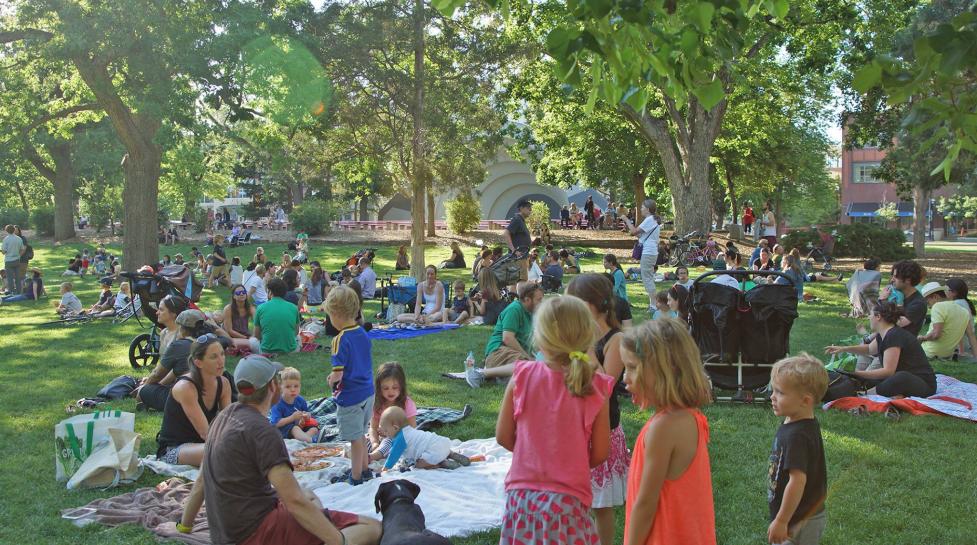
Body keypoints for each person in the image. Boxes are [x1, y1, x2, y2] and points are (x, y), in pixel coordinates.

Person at [178, 354, 382, 545]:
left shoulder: (223, 417)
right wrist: (337, 540)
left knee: (309, 495)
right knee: (372, 527)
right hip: (254, 531)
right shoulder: (263, 432)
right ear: (272, 387)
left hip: (226, 531)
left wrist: (185, 525)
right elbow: (293, 500)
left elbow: (201, 482)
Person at [495, 295, 612, 545]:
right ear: (587, 335)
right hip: (569, 502)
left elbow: (503, 436)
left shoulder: (522, 377)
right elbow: (601, 452)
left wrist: (536, 454)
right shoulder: (595, 386)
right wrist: (569, 461)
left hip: (522, 499)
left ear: (539, 336)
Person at [620, 319, 716, 545]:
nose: (624, 377)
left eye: (633, 367)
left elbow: (645, 504)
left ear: (666, 370)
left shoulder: (663, 428)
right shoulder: (690, 417)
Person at [566, 274, 629, 545]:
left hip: (604, 428)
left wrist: (589, 348)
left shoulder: (616, 341)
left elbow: (605, 386)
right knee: (577, 498)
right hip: (576, 428)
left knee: (601, 504)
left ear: (590, 305)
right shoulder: (575, 337)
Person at [767, 354, 829, 545]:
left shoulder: (798, 436)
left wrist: (782, 520)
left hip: (801, 520)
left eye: (780, 393)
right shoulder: (797, 422)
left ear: (805, 401)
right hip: (798, 515)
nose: (772, 396)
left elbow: (797, 481)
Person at [825, 301, 937, 398]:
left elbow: (888, 371)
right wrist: (844, 349)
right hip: (900, 379)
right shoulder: (883, 334)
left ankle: (863, 395)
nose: (869, 318)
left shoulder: (894, 335)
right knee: (869, 379)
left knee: (900, 377)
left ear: (878, 316)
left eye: (870, 315)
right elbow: (869, 349)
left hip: (923, 384)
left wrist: (857, 373)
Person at [156, 334, 232, 467]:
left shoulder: (224, 383)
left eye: (222, 354)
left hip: (203, 445)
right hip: (174, 449)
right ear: (198, 362)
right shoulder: (185, 388)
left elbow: (229, 422)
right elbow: (205, 433)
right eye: (214, 357)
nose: (221, 361)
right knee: (222, 452)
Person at [325, 285, 376, 485]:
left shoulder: (340, 339)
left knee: (354, 439)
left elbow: (338, 373)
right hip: (368, 392)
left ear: (336, 314)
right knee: (361, 434)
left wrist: (331, 379)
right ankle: (364, 469)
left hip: (351, 396)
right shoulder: (362, 332)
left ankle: (355, 477)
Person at [467, 282, 543, 387]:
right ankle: (480, 373)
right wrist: (527, 357)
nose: (541, 303)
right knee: (530, 365)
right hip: (498, 351)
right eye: (539, 300)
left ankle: (498, 376)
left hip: (511, 355)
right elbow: (507, 338)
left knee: (536, 373)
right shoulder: (514, 309)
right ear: (527, 299)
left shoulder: (531, 313)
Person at [377, 406, 470, 470]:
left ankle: (440, 463)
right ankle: (450, 454)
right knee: (437, 450)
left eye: (386, 431)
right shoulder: (408, 431)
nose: (386, 434)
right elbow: (393, 449)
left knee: (418, 465)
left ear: (395, 427)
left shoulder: (401, 439)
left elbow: (393, 455)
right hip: (441, 443)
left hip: (434, 451)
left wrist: (384, 469)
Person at [368, 362, 417, 463]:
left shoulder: (407, 404)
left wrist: (390, 433)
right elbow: (372, 428)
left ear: (401, 386)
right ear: (379, 388)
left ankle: (372, 457)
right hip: (381, 439)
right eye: (385, 388)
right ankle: (374, 453)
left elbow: (411, 430)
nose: (390, 392)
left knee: (391, 443)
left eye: (395, 387)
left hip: (401, 438)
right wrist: (374, 443)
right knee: (360, 442)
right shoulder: (376, 404)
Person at [917, 282, 975, 360]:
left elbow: (936, 334)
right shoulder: (964, 311)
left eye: (928, 303)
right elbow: (971, 336)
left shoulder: (937, 306)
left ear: (935, 297)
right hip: (947, 354)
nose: (929, 307)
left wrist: (922, 338)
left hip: (929, 352)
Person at [622, 199, 661, 307]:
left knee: (647, 278)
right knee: (648, 277)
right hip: (651, 251)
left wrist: (626, 220)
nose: (640, 209)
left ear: (648, 209)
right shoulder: (652, 220)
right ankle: (653, 304)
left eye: (642, 207)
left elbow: (634, 231)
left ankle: (654, 305)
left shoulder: (649, 219)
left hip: (649, 252)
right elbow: (640, 236)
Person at [269, 367, 320, 443]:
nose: (293, 390)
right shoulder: (277, 402)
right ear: (280, 388)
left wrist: (306, 417)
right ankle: (311, 441)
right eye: (288, 387)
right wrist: (292, 418)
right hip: (284, 430)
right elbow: (275, 423)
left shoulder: (300, 400)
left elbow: (306, 413)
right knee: (295, 428)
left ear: (300, 386)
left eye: (296, 386)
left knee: (314, 429)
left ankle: (302, 440)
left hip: (300, 427)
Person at [254, 278, 300, 354]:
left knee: (252, 341)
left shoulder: (260, 308)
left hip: (266, 350)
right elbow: (296, 332)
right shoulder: (294, 307)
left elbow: (256, 335)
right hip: (291, 350)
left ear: (270, 291)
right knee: (298, 338)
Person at [946, 278, 977, 359]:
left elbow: (959, 329)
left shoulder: (957, 305)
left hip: (961, 343)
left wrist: (961, 351)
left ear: (954, 293)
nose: (944, 292)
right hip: (965, 342)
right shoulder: (962, 302)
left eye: (946, 289)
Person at [505, 200, 533, 285]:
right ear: (521, 208)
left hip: (522, 256)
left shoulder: (521, 220)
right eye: (528, 208)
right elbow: (506, 233)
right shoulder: (517, 219)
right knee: (521, 280)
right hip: (517, 257)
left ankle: (515, 297)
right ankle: (517, 298)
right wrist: (513, 250)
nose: (530, 210)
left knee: (518, 281)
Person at [223, 284, 257, 352]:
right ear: (234, 296)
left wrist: (254, 336)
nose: (241, 294)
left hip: (245, 335)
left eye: (244, 292)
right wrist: (247, 338)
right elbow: (229, 330)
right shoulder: (228, 309)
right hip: (231, 337)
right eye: (238, 293)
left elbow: (258, 323)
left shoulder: (250, 308)